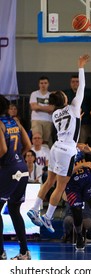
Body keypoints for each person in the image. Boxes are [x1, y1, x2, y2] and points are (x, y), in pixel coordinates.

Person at [27, 54, 89, 233]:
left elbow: (70, 122)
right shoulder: (74, 106)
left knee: (49, 182)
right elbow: (82, 87)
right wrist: (81, 66)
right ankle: (47, 217)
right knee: (60, 186)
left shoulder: (55, 114)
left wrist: (77, 119)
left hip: (55, 148)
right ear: (64, 100)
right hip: (66, 150)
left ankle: (34, 208)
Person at [0, 95, 32, 260]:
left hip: (8, 170)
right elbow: (29, 145)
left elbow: (3, 150)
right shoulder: (15, 122)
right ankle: (24, 252)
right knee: (14, 210)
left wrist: (10, 160)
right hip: (22, 169)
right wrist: (17, 158)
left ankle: (1, 253)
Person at [64, 143, 91, 251]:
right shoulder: (61, 151)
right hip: (73, 185)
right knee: (77, 214)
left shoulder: (78, 145)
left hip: (87, 181)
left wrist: (90, 149)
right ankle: (79, 237)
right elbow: (66, 172)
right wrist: (82, 165)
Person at [63, 74, 91, 144]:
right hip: (69, 123)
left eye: (77, 81)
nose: (75, 83)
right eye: (73, 82)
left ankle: (81, 155)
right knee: (70, 142)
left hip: (84, 122)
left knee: (81, 142)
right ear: (70, 83)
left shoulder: (89, 93)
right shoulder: (65, 94)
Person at [29, 76, 54, 147]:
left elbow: (51, 109)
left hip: (48, 120)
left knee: (46, 141)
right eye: (41, 83)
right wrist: (46, 108)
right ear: (39, 84)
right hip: (36, 120)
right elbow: (33, 107)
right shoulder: (34, 94)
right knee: (37, 139)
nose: (43, 85)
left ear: (48, 84)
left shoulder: (51, 95)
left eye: (45, 83)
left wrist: (39, 107)